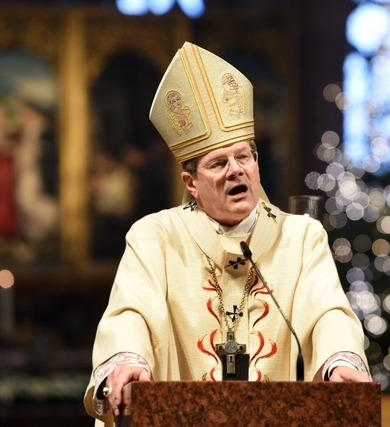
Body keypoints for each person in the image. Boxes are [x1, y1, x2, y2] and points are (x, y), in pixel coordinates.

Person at [84, 42, 370, 426]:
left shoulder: (301, 237)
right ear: (191, 183)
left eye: (245, 157)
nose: (236, 170)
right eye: (219, 163)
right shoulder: (155, 236)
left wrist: (340, 360)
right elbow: (130, 313)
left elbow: (327, 313)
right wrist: (129, 360)